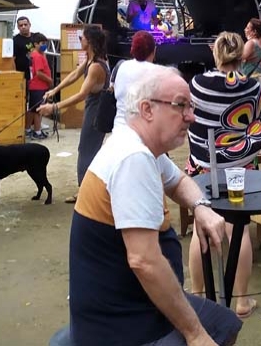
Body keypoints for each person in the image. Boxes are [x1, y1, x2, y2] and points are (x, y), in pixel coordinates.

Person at [69, 64, 242, 346]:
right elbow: (144, 261)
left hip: (129, 298)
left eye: (191, 106)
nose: (191, 116)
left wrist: (201, 207)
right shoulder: (133, 158)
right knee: (216, 330)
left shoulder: (138, 145)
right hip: (120, 320)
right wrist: (195, 334)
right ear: (147, 110)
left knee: (226, 324)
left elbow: (177, 181)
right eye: (181, 106)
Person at [185, 33, 261, 319]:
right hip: (241, 169)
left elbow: (188, 115)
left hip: (204, 167)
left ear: (216, 54)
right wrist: (253, 141)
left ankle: (199, 295)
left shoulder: (197, 84)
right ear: (242, 56)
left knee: (201, 226)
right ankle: (241, 300)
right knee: (237, 230)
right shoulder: (253, 87)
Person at [39, 25, 110, 202]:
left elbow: (81, 94)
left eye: (82, 38)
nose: (80, 40)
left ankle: (86, 191)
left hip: (96, 111)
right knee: (88, 149)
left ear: (90, 41)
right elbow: (73, 75)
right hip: (93, 108)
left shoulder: (96, 66)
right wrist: (54, 90)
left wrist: (54, 107)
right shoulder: (90, 61)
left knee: (87, 150)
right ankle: (90, 188)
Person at [112, 30, 157, 131]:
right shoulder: (156, 73)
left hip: (119, 129)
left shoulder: (122, 66)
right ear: (154, 51)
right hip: (143, 134)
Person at [26, 32, 53, 139]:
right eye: (42, 43)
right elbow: (39, 73)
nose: (44, 45)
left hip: (36, 86)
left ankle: (28, 129)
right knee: (38, 110)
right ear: (36, 44)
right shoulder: (37, 56)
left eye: (45, 43)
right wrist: (49, 80)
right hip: (39, 86)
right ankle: (37, 132)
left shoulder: (37, 54)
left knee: (32, 109)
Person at [241, 18, 261, 88]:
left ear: (254, 32)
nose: (245, 30)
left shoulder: (251, 43)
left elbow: (239, 58)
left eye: (247, 28)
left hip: (252, 80)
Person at [13, 15, 34, 85]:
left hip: (37, 74)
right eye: (21, 25)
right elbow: (12, 59)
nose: (23, 27)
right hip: (22, 75)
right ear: (18, 27)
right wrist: (15, 75)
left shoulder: (36, 37)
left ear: (29, 25)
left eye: (25, 24)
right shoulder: (15, 40)